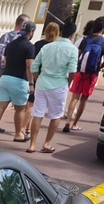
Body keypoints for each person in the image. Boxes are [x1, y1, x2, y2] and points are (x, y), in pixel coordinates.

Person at [27, 20, 78, 153]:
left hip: (42, 83)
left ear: (61, 31)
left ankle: (32, 144)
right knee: (56, 115)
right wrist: (68, 82)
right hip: (59, 84)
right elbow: (72, 70)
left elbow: (34, 66)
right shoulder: (72, 49)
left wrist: (38, 79)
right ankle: (47, 143)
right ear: (73, 34)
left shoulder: (47, 47)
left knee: (38, 113)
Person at [0, 20, 37, 144]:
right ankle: (19, 134)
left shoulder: (11, 44)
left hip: (5, 78)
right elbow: (29, 66)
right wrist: (31, 83)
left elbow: (6, 61)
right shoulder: (30, 47)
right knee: (20, 109)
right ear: (31, 32)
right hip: (19, 80)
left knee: (0, 106)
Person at [64, 17, 104, 131]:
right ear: (103, 28)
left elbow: (77, 56)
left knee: (74, 97)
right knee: (84, 99)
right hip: (92, 74)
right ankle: (75, 123)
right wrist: (100, 67)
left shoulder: (85, 40)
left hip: (80, 72)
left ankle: (67, 122)